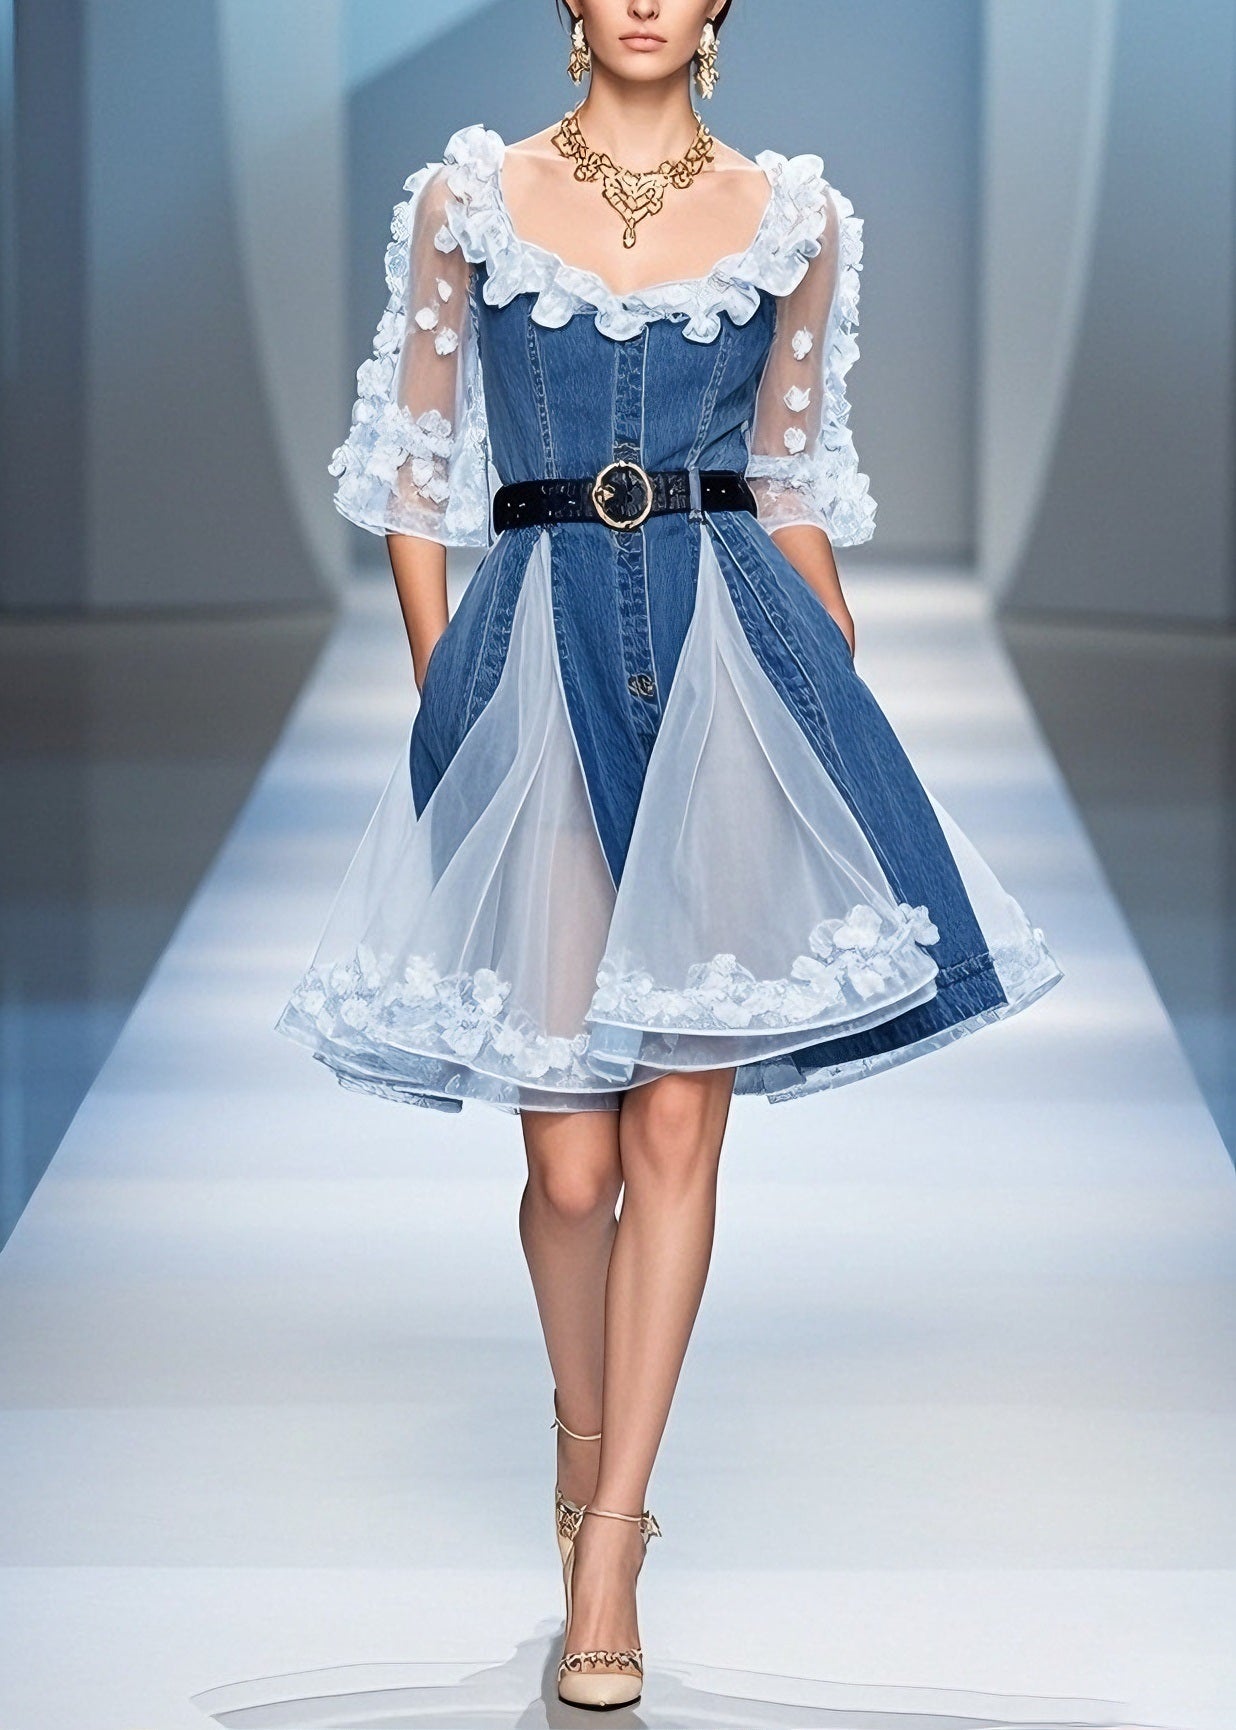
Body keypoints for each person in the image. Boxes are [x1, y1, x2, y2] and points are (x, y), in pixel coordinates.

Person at [277, 0, 1063, 1709]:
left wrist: (824, 685)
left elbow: (792, 474)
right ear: (571, 4)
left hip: (730, 669)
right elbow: (416, 474)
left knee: (678, 1125)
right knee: (571, 1166)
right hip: (536, 668)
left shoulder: (795, 217)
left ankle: (614, 1545)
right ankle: (581, 1456)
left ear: (720, 7)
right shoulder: (471, 197)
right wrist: (447, 690)